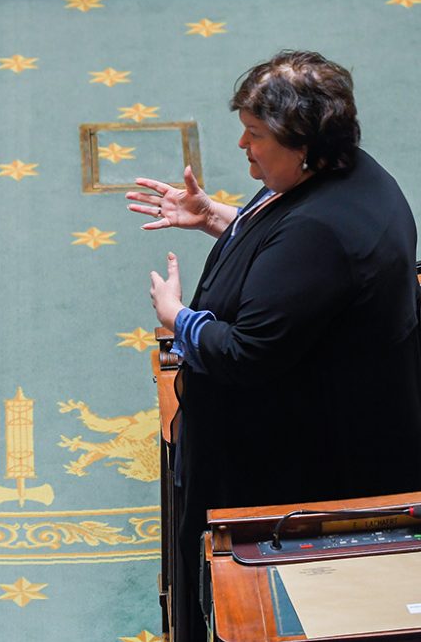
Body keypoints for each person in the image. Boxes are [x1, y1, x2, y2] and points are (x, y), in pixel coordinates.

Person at [127, 50, 421, 642]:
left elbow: (245, 352)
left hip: (286, 451)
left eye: (256, 133)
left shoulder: (321, 233)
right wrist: (216, 217)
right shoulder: (353, 174)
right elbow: (289, 256)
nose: (242, 144)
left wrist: (178, 318)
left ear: (303, 143)